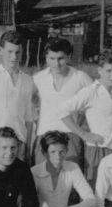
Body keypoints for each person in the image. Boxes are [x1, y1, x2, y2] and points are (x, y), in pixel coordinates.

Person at [57, 49, 112, 188]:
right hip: (97, 150)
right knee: (96, 191)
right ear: (99, 70)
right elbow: (62, 110)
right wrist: (83, 134)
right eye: (108, 71)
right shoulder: (90, 92)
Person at [32, 38, 93, 169]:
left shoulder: (81, 77)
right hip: (44, 136)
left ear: (69, 57)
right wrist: (35, 119)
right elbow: (23, 101)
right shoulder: (38, 78)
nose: (56, 64)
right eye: (51, 59)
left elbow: (95, 102)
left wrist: (79, 123)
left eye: (61, 58)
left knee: (71, 181)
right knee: (42, 179)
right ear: (46, 58)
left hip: (70, 138)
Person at [0, 31, 35, 163]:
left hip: (19, 142)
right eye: (9, 52)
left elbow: (28, 117)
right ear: (0, 50)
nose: (14, 57)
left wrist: (27, 146)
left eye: (18, 52)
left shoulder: (28, 80)